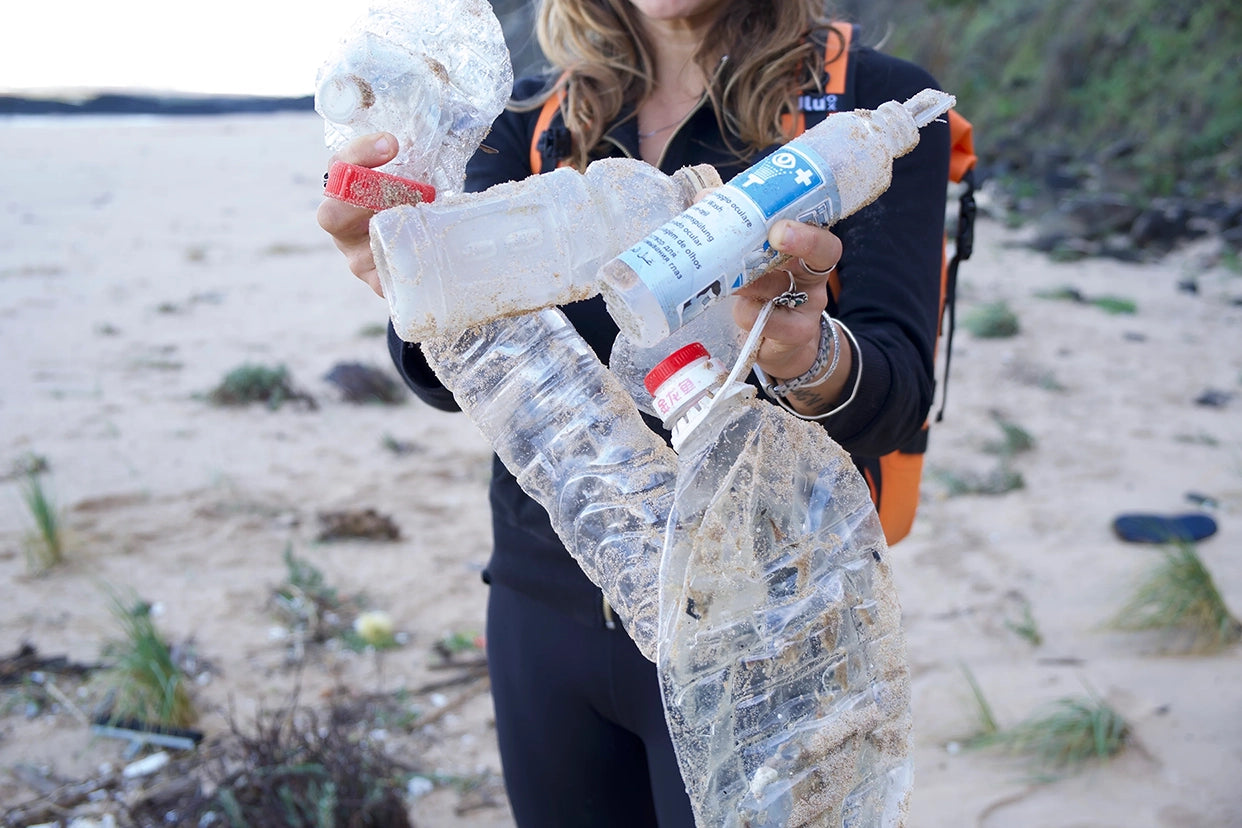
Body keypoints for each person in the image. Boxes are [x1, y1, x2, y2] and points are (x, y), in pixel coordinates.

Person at [318, 1, 950, 824]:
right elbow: (439, 374)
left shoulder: (862, 99)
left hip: (766, 630)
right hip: (547, 605)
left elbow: (897, 399)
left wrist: (803, 354)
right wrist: (401, 279)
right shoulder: (525, 116)